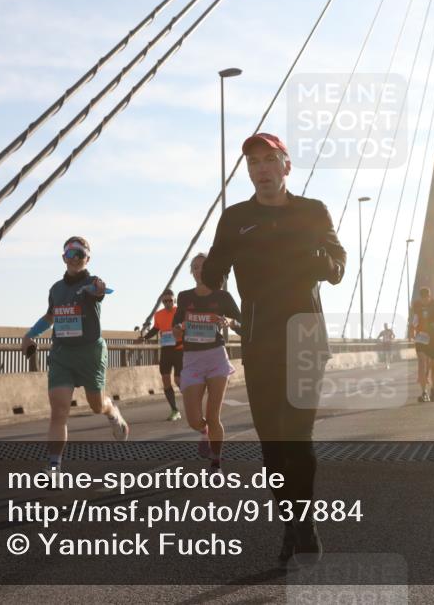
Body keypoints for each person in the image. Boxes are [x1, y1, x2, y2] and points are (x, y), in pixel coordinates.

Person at [201, 132, 345, 569]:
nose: (261, 168)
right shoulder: (235, 217)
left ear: (286, 166)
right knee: (271, 446)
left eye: (269, 160)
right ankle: (290, 523)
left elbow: (337, 268)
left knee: (297, 437)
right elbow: (213, 276)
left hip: (304, 335)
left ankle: (306, 528)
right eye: (253, 162)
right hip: (260, 339)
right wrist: (223, 298)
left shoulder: (313, 211)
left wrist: (314, 256)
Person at [21, 236, 129, 476]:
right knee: (59, 411)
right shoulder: (56, 290)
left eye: (80, 254)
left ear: (87, 259)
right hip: (62, 355)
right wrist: (30, 335)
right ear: (63, 258)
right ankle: (54, 466)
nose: (75, 258)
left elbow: (100, 291)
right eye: (71, 254)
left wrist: (99, 290)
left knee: (96, 405)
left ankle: (112, 412)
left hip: (90, 355)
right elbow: (50, 317)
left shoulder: (92, 283)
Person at [172, 253, 242, 472]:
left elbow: (243, 322)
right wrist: (179, 328)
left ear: (210, 270)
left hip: (215, 357)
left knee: (213, 416)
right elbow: (175, 333)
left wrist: (228, 321)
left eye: (202, 266)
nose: (198, 270)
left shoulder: (222, 297)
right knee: (194, 419)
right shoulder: (183, 297)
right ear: (191, 272)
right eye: (195, 267)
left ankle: (216, 461)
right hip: (192, 359)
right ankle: (203, 433)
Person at [144, 288, 183, 421]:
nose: (167, 303)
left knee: (178, 380)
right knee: (165, 379)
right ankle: (174, 410)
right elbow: (156, 328)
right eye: (165, 301)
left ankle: (192, 402)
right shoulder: (158, 315)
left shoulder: (179, 312)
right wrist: (144, 337)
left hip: (179, 349)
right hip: (166, 351)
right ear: (162, 301)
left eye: (170, 300)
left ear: (175, 300)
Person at [411, 287, 434, 402]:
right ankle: (424, 392)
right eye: (422, 299)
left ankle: (433, 389)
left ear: (429, 296)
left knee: (433, 365)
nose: (424, 301)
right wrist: (414, 325)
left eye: (426, 298)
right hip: (421, 336)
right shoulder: (416, 305)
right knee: (421, 361)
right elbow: (415, 319)